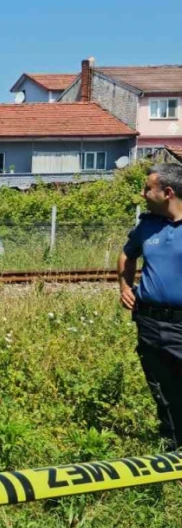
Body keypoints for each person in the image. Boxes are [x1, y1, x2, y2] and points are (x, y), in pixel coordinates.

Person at [119, 163, 182, 450]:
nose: (142, 193)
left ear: (167, 192)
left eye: (148, 189)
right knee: (161, 386)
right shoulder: (147, 225)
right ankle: (173, 446)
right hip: (150, 322)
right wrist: (124, 287)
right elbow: (126, 255)